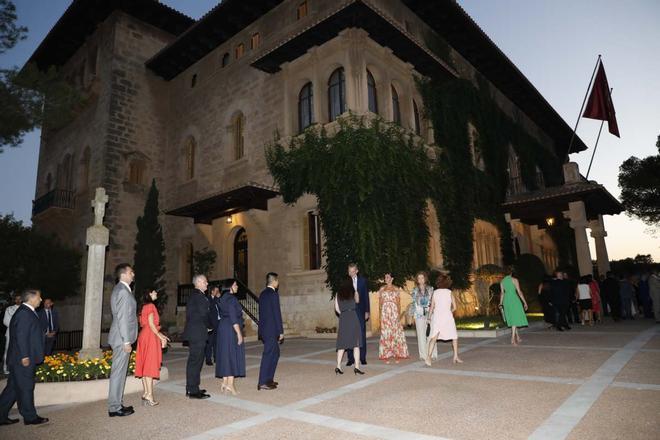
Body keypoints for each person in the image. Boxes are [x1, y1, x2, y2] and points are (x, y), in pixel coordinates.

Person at [0, 289, 48, 426]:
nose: (41, 299)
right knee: (26, 387)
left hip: (18, 358)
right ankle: (30, 417)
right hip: (23, 359)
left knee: (13, 389)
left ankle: (1, 416)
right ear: (31, 298)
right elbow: (21, 337)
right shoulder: (24, 313)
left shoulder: (26, 311)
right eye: (39, 297)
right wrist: (25, 356)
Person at [108, 264, 138, 417]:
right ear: (124, 274)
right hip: (121, 339)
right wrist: (126, 341)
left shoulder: (122, 290)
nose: (133, 275)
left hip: (120, 338)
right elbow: (122, 318)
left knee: (120, 373)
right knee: (118, 373)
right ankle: (114, 407)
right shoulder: (123, 291)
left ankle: (117, 404)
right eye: (131, 272)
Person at [135, 289, 169, 407]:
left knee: (145, 366)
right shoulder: (150, 305)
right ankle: (149, 395)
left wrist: (161, 335)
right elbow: (151, 323)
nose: (156, 294)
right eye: (154, 292)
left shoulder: (143, 307)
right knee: (149, 365)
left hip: (144, 335)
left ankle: (146, 393)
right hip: (150, 335)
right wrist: (160, 336)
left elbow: (147, 324)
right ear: (149, 294)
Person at [215, 279, 246, 395]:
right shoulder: (232, 299)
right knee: (232, 354)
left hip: (223, 327)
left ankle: (225, 381)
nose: (237, 286)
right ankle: (230, 384)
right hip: (231, 328)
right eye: (235, 285)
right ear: (229, 287)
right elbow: (233, 317)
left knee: (225, 354)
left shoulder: (222, 298)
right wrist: (238, 333)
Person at [183, 274, 211, 399]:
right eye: (205, 281)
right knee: (195, 361)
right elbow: (204, 314)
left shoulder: (196, 295)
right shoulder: (198, 296)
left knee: (196, 361)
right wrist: (210, 326)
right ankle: (193, 390)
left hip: (196, 333)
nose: (207, 284)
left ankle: (193, 387)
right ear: (199, 282)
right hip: (197, 333)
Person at [426, 274, 462, 365]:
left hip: (438, 317)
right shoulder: (449, 292)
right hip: (448, 317)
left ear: (438, 282)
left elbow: (431, 307)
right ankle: (455, 357)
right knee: (454, 336)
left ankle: (428, 358)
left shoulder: (435, 292)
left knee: (434, 337)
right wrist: (449, 311)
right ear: (447, 282)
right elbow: (455, 307)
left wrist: (429, 318)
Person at [258, 272, 284, 390]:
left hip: (265, 329)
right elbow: (276, 313)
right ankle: (262, 382)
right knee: (268, 354)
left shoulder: (262, 294)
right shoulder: (273, 294)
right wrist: (280, 331)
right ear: (273, 281)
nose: (278, 283)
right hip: (271, 330)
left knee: (275, 353)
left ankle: (269, 379)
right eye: (277, 280)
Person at [334, 277, 364, 375]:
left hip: (343, 318)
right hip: (352, 317)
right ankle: (357, 367)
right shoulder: (353, 292)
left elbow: (337, 309)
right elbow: (357, 301)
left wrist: (343, 313)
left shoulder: (338, 294)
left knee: (342, 344)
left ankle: (338, 366)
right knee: (356, 343)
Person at [377, 272, 409, 364]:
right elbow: (380, 304)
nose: (386, 279)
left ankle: (397, 354)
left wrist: (399, 316)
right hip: (385, 314)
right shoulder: (382, 289)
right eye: (385, 277)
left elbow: (398, 304)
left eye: (387, 277)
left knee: (395, 333)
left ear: (392, 278)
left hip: (394, 314)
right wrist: (380, 316)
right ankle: (386, 354)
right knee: (386, 333)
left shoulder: (396, 289)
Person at [346, 263, 369, 367]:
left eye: (353, 271)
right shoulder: (345, 282)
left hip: (360, 311)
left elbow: (366, 297)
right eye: (349, 271)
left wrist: (367, 311)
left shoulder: (363, 281)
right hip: (349, 311)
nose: (351, 273)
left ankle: (362, 358)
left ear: (357, 271)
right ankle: (350, 358)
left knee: (361, 334)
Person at [410, 272, 436, 361]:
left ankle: (432, 353)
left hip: (430, 314)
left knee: (431, 334)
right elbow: (413, 303)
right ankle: (423, 355)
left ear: (425, 278)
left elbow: (433, 302)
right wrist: (412, 315)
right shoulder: (414, 290)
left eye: (422, 278)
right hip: (418, 315)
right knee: (421, 335)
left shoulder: (431, 289)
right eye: (419, 278)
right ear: (417, 280)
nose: (421, 279)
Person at [499, 268, 528, 345]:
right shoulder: (514, 280)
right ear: (511, 272)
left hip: (506, 301)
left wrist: (500, 303)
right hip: (514, 300)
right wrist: (525, 302)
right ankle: (512, 339)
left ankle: (517, 337)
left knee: (512, 319)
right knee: (514, 319)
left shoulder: (502, 282)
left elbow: (502, 293)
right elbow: (519, 292)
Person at [2, 294, 21, 375]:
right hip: (10, 333)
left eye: (20, 299)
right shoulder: (9, 309)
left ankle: (19, 368)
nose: (18, 300)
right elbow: (6, 321)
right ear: (14, 300)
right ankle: (6, 368)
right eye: (16, 299)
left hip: (22, 334)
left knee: (21, 350)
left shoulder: (25, 308)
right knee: (8, 350)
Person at [205, 285, 221, 366]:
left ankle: (216, 358)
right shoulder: (208, 299)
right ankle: (208, 359)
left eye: (218, 291)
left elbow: (221, 307)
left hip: (218, 323)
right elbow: (208, 311)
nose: (218, 292)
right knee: (210, 343)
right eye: (216, 291)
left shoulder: (217, 299)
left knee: (217, 342)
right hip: (211, 324)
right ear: (212, 291)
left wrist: (219, 299)